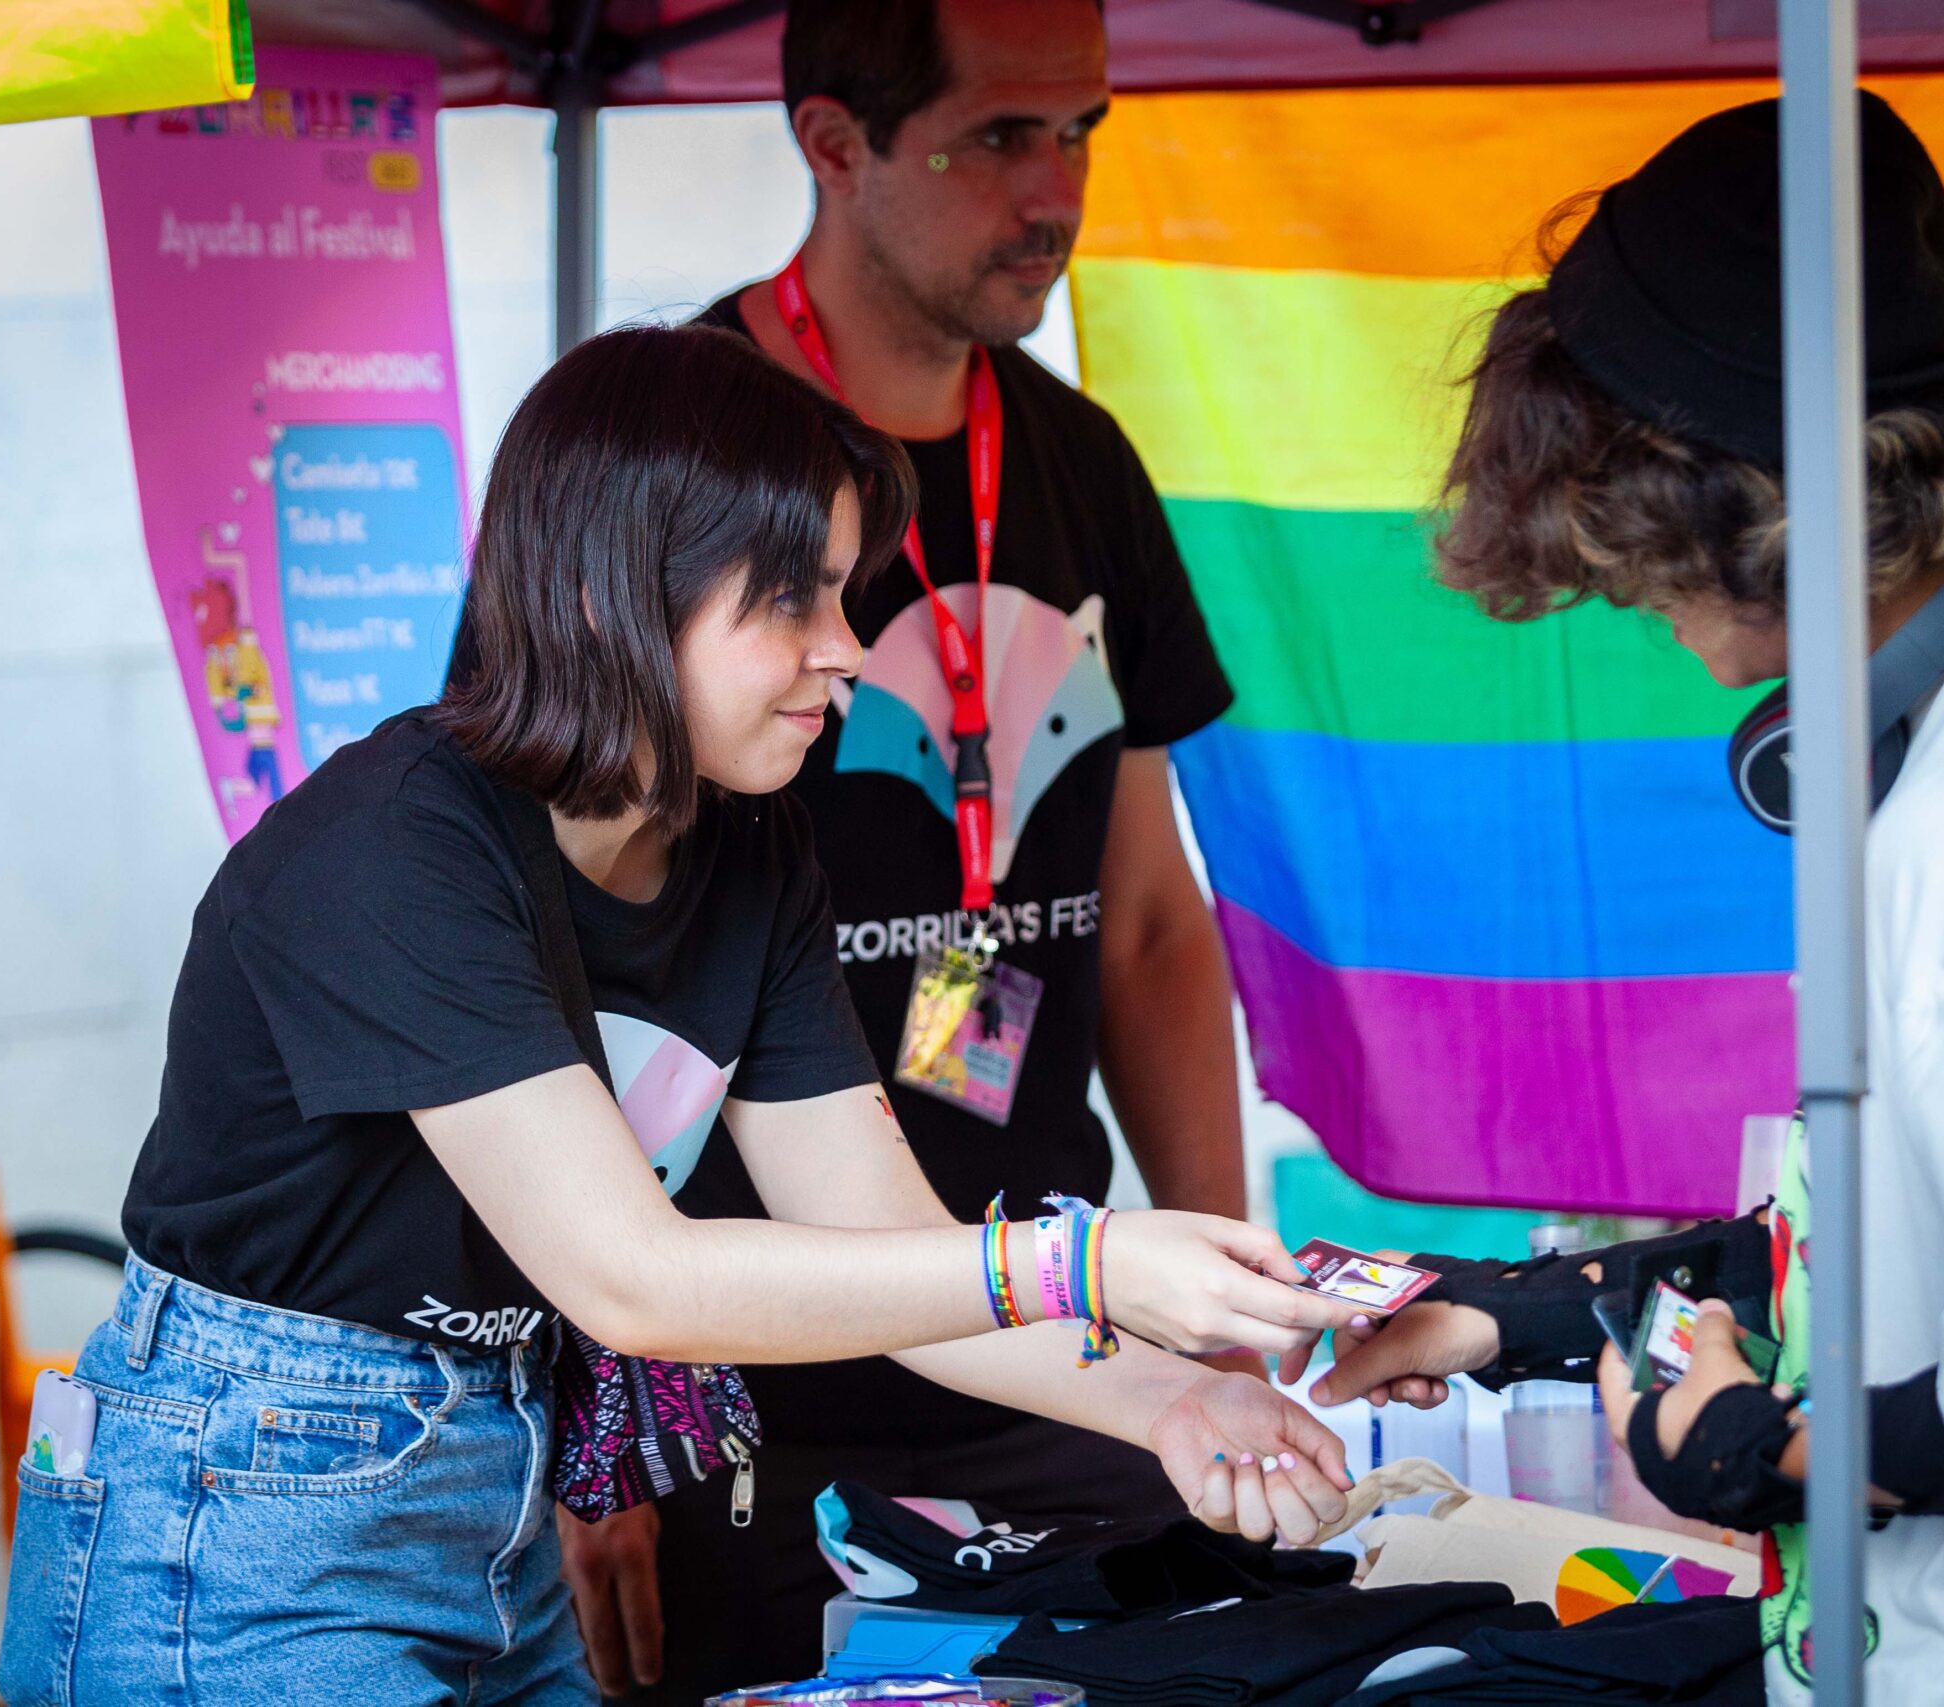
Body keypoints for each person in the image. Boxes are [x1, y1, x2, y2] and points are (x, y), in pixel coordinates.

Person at [0, 325, 1361, 1706]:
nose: (848, 653)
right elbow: (634, 1281)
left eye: (844, 598)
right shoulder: (394, 850)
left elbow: (892, 1248)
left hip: (486, 1503)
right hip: (237, 1521)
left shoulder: (749, 852)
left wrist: (1175, 1398)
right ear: (610, 595)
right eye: (792, 604)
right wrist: (1086, 1262)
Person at [1313, 92, 1944, 1707]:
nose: (1631, 597)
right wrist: (1535, 1316)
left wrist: (1743, 1448)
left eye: (1627, 548)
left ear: (1728, 503)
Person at [532, 3, 1267, 1700]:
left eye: (1079, 133)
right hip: (725, 1386)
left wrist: (1221, 1317)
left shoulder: (1079, 463)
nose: (1055, 191)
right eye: (997, 137)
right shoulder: (659, 464)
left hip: (1052, 1347)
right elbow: (538, 966)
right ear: (833, 142)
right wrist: (586, 1410)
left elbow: (1149, 927)